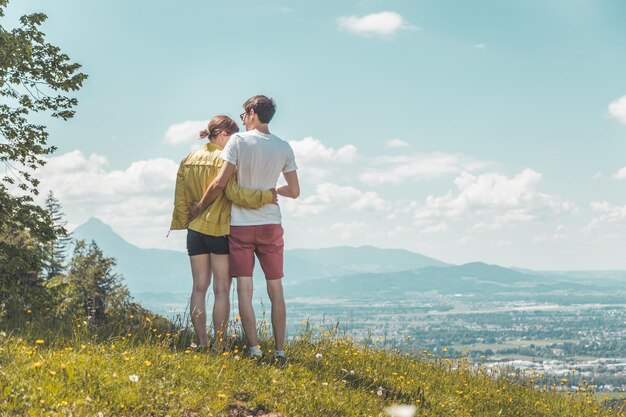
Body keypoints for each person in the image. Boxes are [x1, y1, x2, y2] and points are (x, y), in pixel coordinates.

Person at [190, 95, 299, 361]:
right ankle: (280, 351)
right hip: (271, 223)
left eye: (243, 115)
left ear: (251, 113)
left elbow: (219, 183)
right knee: (276, 289)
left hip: (241, 226)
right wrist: (271, 190)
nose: (243, 119)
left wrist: (198, 209)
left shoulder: (238, 141)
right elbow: (294, 191)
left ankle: (254, 349)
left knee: (244, 290)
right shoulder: (283, 146)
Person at [170, 115, 276, 349]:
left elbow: (181, 198)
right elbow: (234, 193)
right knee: (221, 289)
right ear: (223, 135)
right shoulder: (226, 160)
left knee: (198, 287)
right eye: (233, 136)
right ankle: (219, 345)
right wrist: (266, 195)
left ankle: (202, 342)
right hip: (220, 230)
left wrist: (185, 220)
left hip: (195, 230)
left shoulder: (188, 159)